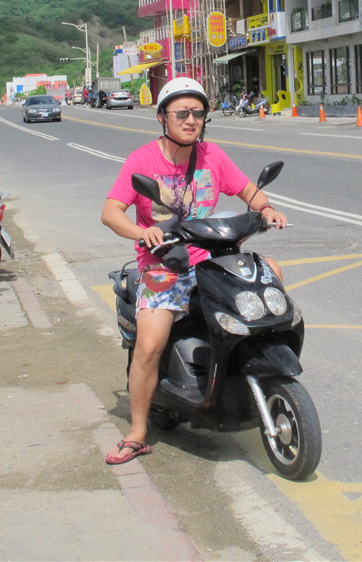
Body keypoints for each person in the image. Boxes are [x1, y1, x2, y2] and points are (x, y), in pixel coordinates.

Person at [100, 77, 288, 465]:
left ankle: (250, 371)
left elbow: (249, 193)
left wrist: (266, 209)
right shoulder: (142, 161)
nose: (191, 120)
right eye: (181, 113)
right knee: (150, 345)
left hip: (212, 260)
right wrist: (142, 231)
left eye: (198, 113)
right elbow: (110, 213)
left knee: (272, 271)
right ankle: (137, 431)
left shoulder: (213, 156)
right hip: (163, 266)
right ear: (162, 118)